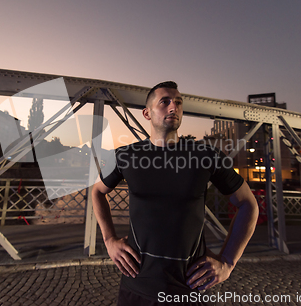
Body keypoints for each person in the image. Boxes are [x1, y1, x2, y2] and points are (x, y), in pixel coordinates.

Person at [92, 81, 259, 305]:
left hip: (189, 288)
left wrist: (228, 261)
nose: (174, 107)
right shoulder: (125, 156)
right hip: (137, 286)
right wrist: (110, 240)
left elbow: (248, 204)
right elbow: (97, 192)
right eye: (165, 102)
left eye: (178, 102)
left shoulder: (205, 156)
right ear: (147, 113)